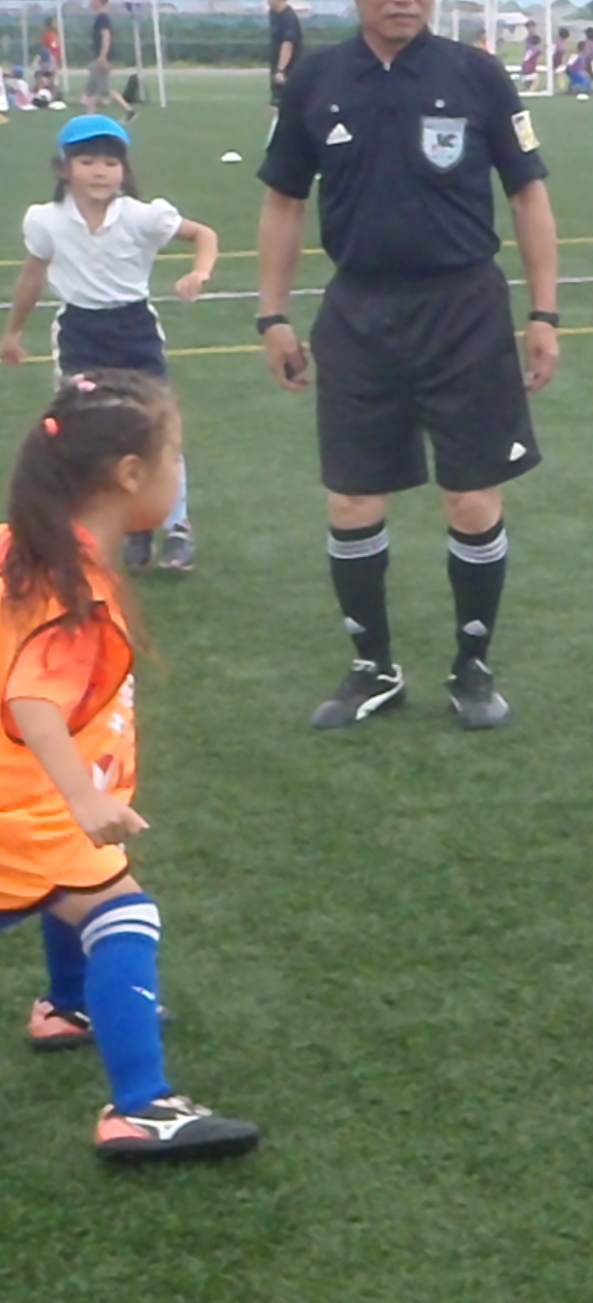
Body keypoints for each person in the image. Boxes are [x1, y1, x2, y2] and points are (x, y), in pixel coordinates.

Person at [255, 0, 562, 732]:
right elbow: (283, 203)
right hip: (358, 312)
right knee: (353, 501)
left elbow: (528, 194)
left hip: (465, 309)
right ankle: (372, 667)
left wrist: (544, 311)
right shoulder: (315, 82)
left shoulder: (477, 76)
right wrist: (272, 316)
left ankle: (472, 667)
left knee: (472, 499)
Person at [0, 370, 261, 1161]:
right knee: (121, 910)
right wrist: (82, 797)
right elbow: (34, 702)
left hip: (26, 804)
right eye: (174, 454)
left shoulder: (21, 545)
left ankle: (70, 1006)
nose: (180, 470)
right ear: (130, 475)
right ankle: (140, 1107)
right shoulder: (74, 590)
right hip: (26, 805)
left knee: (77, 886)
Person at [3, 114, 217, 572]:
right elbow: (32, 276)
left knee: (155, 430)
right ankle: (125, 527)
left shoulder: (142, 216)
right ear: (64, 169)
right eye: (87, 161)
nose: (100, 171)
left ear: (124, 169)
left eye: (110, 162)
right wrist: (13, 332)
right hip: (81, 334)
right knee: (87, 434)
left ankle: (176, 526)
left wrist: (199, 272)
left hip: (134, 330)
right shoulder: (46, 221)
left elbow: (203, 235)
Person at [82, 0, 133, 122]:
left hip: (101, 58)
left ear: (99, 0)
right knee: (91, 90)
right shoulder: (100, 17)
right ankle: (90, 118)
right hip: (98, 58)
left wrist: (103, 55)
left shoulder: (102, 18)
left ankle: (128, 110)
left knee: (105, 90)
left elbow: (106, 36)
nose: (90, 1)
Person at [265, 0, 303, 109]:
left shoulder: (288, 18)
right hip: (277, 68)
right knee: (276, 106)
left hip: (289, 70)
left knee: (284, 106)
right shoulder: (274, 15)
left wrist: (281, 70)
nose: (267, 0)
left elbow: (287, 44)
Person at [566, 27, 593, 95]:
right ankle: (578, 89)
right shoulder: (591, 45)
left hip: (575, 68)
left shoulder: (587, 43)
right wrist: (589, 71)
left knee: (582, 77)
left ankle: (572, 88)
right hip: (579, 68)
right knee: (586, 80)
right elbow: (587, 59)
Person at [34, 18, 59, 96]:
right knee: (47, 77)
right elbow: (50, 48)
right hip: (48, 59)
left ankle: (51, 94)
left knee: (50, 78)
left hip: (51, 58)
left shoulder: (52, 35)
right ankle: (41, 93)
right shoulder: (49, 35)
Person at [518, 20, 544, 92]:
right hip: (529, 64)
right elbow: (536, 51)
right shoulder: (529, 40)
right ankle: (530, 91)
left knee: (530, 80)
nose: (534, 29)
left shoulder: (532, 39)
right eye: (532, 27)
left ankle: (527, 88)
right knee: (535, 79)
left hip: (529, 63)